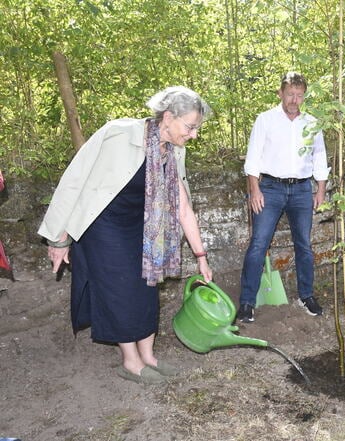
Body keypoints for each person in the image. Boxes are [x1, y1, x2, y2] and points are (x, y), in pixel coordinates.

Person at [39, 86, 214, 385]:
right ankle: (130, 362)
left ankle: (148, 357)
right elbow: (75, 180)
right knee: (121, 289)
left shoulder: (174, 151)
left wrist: (201, 257)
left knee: (146, 287)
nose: (193, 135)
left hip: (142, 226)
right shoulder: (119, 134)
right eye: (190, 127)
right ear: (168, 117)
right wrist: (59, 237)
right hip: (103, 223)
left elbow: (183, 206)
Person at [237, 72, 329, 323]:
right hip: (270, 189)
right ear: (280, 93)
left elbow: (319, 157)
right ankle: (247, 302)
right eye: (290, 94)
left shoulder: (312, 123)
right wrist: (254, 189)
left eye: (299, 96)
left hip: (301, 190)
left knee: (304, 246)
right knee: (258, 244)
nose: (294, 100)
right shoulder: (265, 120)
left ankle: (306, 295)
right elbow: (253, 157)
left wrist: (320, 189)